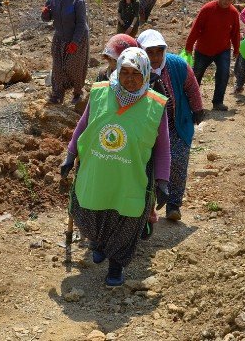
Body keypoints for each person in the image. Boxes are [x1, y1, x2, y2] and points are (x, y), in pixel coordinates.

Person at [59, 48, 170, 287]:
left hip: (131, 176)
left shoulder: (155, 105)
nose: (129, 78)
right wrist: (69, 156)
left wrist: (163, 181)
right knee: (89, 210)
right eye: (125, 72)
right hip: (97, 171)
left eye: (135, 73)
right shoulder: (100, 93)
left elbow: (163, 148)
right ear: (117, 70)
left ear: (146, 74)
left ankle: (116, 266)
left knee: (126, 218)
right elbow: (83, 125)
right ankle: (99, 243)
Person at [137, 30, 204, 222]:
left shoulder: (177, 65)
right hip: (146, 128)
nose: (156, 57)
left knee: (179, 161)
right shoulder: (134, 68)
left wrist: (197, 108)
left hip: (174, 124)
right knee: (146, 167)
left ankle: (174, 204)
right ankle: (146, 207)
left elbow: (191, 86)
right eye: (150, 52)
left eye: (159, 51)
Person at [185, 0, 241, 111]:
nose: (227, 1)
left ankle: (218, 102)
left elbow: (235, 33)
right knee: (196, 75)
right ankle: (190, 101)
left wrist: (237, 49)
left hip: (223, 50)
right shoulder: (207, 9)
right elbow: (196, 28)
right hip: (203, 49)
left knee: (223, 73)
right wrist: (189, 45)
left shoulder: (233, 13)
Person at [41, 0, 89, 104]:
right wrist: (45, 14)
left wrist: (75, 42)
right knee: (57, 66)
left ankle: (78, 92)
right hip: (59, 37)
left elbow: (81, 23)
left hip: (77, 37)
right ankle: (57, 93)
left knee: (74, 66)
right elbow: (47, 18)